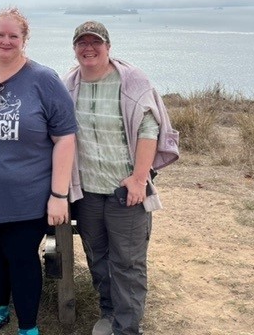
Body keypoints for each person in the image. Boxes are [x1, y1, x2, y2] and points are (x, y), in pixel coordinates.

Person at [0, 8, 77, 335]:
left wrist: (59, 195)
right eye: (0, 35)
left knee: (21, 257)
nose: (6, 41)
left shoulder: (43, 80)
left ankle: (29, 328)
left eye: (13, 36)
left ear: (24, 40)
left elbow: (65, 137)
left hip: (28, 196)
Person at [63, 21, 179, 335]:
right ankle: (108, 312)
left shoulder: (131, 80)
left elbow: (148, 129)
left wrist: (139, 179)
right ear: (75, 49)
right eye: (81, 43)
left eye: (95, 42)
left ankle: (127, 326)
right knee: (97, 256)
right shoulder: (69, 84)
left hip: (124, 190)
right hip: (87, 191)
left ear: (108, 46)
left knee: (127, 262)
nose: (89, 48)